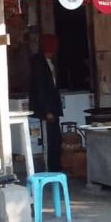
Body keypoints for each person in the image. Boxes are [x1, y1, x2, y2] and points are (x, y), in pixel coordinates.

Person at [29, 34, 63, 172]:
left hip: (53, 106)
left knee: (56, 138)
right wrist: (47, 110)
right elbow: (40, 87)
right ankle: (49, 167)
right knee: (48, 139)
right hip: (45, 108)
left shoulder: (51, 61)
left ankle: (56, 165)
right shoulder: (38, 62)